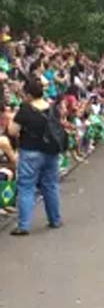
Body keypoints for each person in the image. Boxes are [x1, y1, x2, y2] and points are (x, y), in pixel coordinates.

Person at [7, 77, 63, 235]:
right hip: (51, 151)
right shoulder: (52, 109)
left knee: (26, 187)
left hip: (30, 151)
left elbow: (12, 131)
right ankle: (55, 219)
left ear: (29, 95)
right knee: (50, 185)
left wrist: (13, 118)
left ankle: (24, 225)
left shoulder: (25, 110)